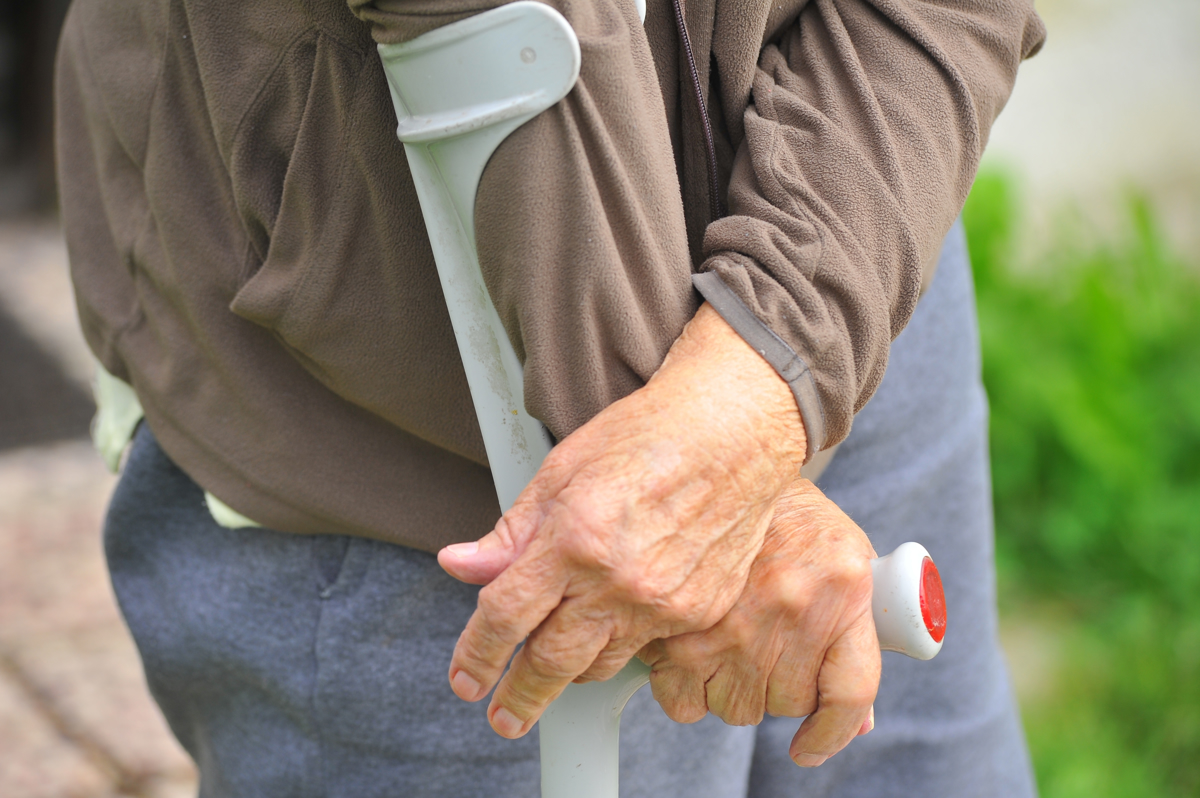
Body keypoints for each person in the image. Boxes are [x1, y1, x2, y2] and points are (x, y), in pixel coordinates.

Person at [56, 0, 1045, 795]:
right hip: (432, 409)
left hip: (860, 218)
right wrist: (713, 458)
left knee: (925, 767)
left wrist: (763, 385)